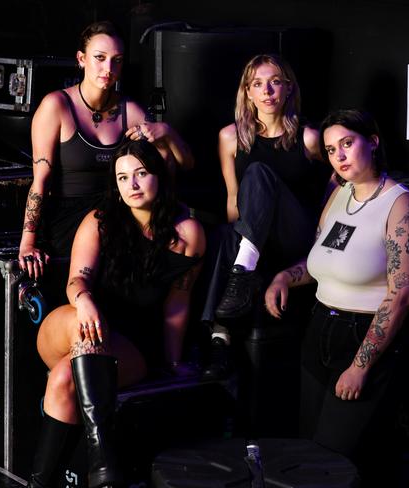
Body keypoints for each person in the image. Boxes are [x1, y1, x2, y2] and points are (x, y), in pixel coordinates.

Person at [264, 109, 409, 487]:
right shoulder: (339, 192)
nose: (339, 156)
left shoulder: (402, 205)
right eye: (330, 150)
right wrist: (285, 277)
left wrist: (360, 365)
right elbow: (325, 258)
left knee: (332, 463)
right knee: (306, 453)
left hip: (364, 336)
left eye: (347, 143)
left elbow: (402, 295)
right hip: (320, 327)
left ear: (371, 141)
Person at [27, 139, 205, 488]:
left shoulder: (188, 234)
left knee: (64, 379)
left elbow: (177, 303)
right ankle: (105, 467)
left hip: (129, 345)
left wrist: (172, 361)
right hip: (73, 320)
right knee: (84, 329)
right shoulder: (100, 221)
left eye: (141, 174)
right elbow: (77, 279)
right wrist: (85, 300)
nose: (132, 185)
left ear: (160, 176)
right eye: (123, 178)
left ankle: (38, 485)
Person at [18, 20, 193, 292]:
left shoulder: (129, 110)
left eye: (117, 60)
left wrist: (167, 133)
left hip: (120, 212)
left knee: (182, 236)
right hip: (70, 217)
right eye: (100, 58)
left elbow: (179, 166)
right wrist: (28, 242)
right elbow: (41, 181)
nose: (108, 69)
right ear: (81, 59)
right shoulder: (57, 106)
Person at [200, 53, 329, 380]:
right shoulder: (230, 138)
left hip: (295, 236)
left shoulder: (309, 138)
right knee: (222, 235)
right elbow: (233, 201)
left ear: (288, 89)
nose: (267, 91)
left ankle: (242, 269)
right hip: (255, 240)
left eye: (275, 82)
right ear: (247, 92)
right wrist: (235, 243)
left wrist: (322, 229)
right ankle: (220, 337)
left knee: (257, 173)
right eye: (258, 84)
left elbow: (337, 182)